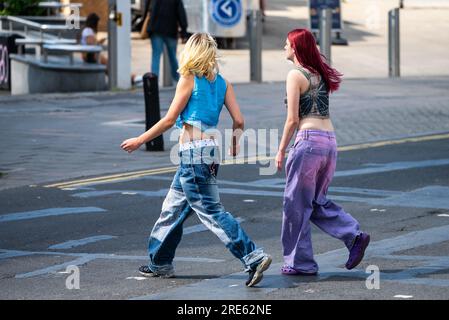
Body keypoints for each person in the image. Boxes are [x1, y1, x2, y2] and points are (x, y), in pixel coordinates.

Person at [120, 33, 272, 287]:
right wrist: (234, 143)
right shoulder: (223, 83)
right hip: (210, 152)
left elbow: (169, 120)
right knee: (172, 210)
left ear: (191, 52)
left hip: (194, 154)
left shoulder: (189, 78)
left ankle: (252, 256)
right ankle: (160, 262)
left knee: (211, 211)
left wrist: (139, 140)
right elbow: (240, 121)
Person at [276, 28, 370, 276]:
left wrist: (280, 150)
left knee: (295, 205)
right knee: (314, 202)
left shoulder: (295, 75)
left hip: (308, 142)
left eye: (286, 44)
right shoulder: (320, 73)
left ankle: (300, 263)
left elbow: (292, 119)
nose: (283, 47)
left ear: (296, 48)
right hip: (329, 142)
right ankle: (354, 235)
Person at [80, 13, 142, 85]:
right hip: (90, 56)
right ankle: (129, 77)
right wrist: (97, 42)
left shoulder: (87, 30)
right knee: (111, 66)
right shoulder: (88, 31)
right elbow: (90, 44)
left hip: (91, 55)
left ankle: (129, 77)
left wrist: (99, 41)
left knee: (110, 65)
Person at [144, 0, 188, 82]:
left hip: (156, 29)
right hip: (170, 30)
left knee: (156, 56)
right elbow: (181, 14)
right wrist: (184, 31)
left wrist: (145, 25)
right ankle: (178, 81)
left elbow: (147, 8)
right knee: (172, 57)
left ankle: (154, 82)